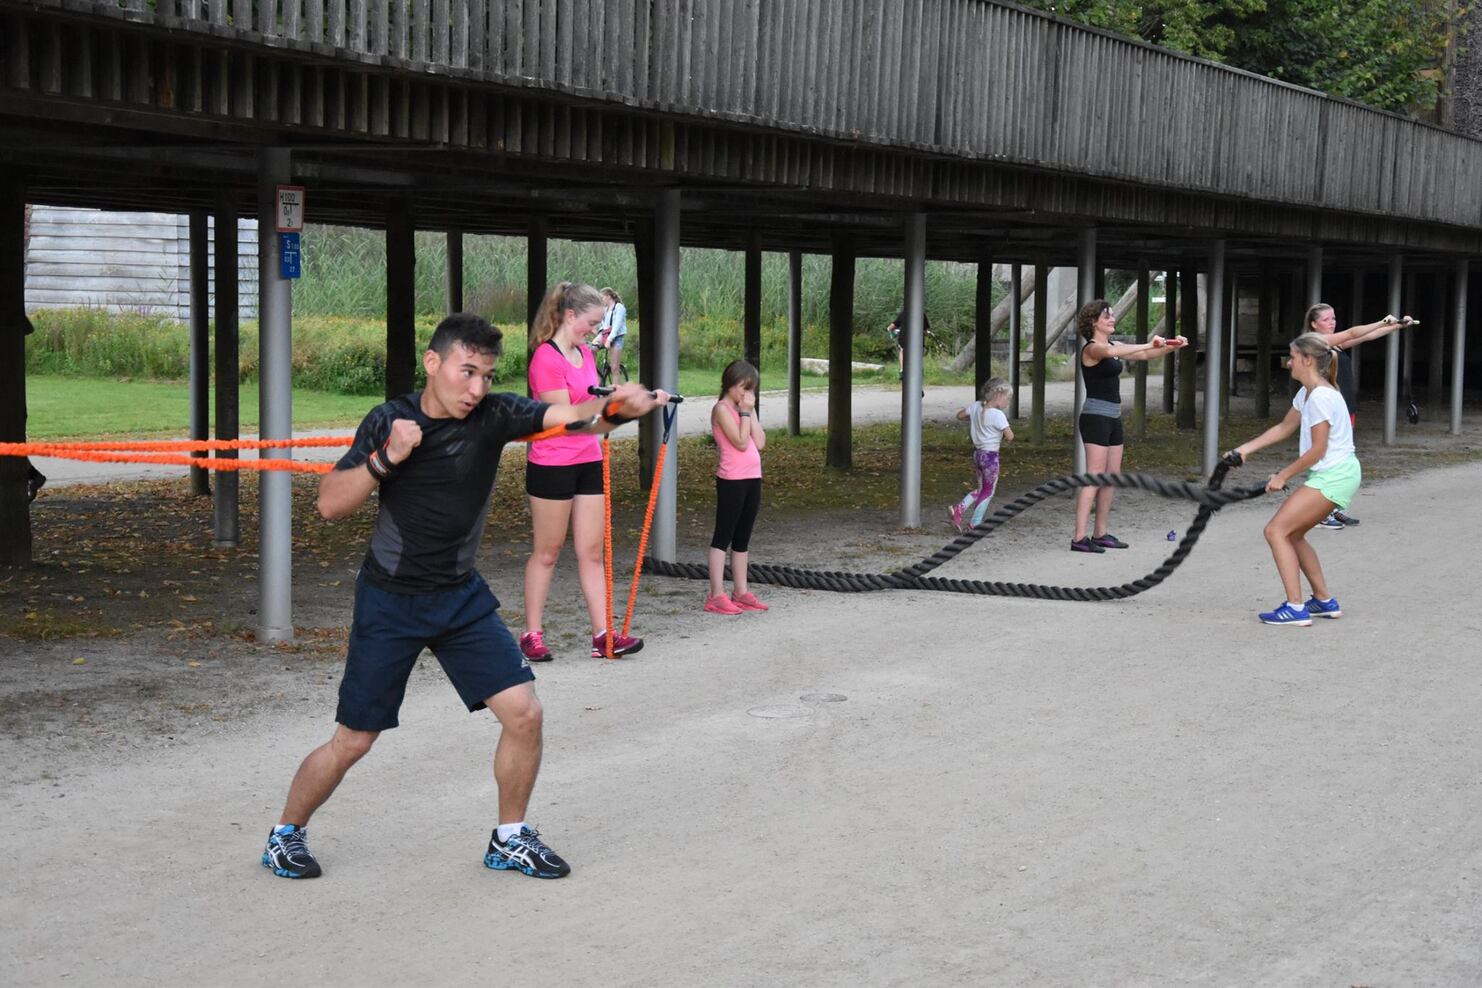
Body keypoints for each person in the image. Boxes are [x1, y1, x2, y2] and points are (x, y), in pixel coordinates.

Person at [261, 312, 667, 881]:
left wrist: (617, 410)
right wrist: (386, 459)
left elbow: (572, 419)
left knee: (524, 712)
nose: (476, 387)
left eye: (486, 374)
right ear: (434, 363)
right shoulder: (389, 420)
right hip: (390, 599)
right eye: (466, 371)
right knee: (354, 741)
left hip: (459, 596)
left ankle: (509, 837)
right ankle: (285, 835)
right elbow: (329, 503)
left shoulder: (494, 414)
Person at [520, 282, 644, 662]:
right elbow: (568, 419)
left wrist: (627, 403)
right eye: (591, 322)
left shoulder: (586, 356)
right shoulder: (546, 358)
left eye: (599, 323)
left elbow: (594, 410)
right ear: (570, 316)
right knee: (548, 551)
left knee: (591, 551)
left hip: (588, 460)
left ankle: (603, 633)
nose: (594, 330)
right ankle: (532, 633)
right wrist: (616, 403)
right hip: (553, 462)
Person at [1227, 332, 1361, 626]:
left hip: (1334, 475)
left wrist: (1283, 475)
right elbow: (1284, 427)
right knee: (1294, 534)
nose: (1288, 363)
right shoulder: (1308, 393)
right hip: (1338, 473)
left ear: (1308, 360)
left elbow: (1318, 449)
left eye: (1292, 357)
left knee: (1276, 531)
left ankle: (1295, 608)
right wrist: (1244, 450)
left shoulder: (1322, 397)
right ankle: (1324, 601)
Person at [1071, 300, 1187, 553]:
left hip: (1113, 416)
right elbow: (1113, 354)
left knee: (1111, 476)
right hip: (1095, 418)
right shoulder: (1092, 349)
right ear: (1093, 322)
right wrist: (1151, 342)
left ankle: (1100, 533)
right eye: (1107, 316)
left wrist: (1171, 346)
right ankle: (1079, 538)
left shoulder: (1115, 345)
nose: (1112, 319)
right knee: (1095, 475)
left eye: (1112, 315)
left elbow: (1145, 355)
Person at [1301, 303, 1415, 529]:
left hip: (1343, 407)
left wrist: (1396, 326)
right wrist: (1384, 320)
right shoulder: (1315, 342)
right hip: (1326, 410)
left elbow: (1365, 336)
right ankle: (1319, 511)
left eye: (1333, 318)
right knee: (1326, 459)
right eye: (1326, 319)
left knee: (1341, 459)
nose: (1332, 322)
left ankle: (1333, 507)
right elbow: (1354, 332)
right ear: (1314, 324)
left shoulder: (1336, 343)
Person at [704, 359, 768, 615]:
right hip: (732, 479)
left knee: (743, 538)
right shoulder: (721, 409)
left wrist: (750, 412)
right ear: (730, 384)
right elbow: (741, 442)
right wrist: (743, 413)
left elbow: (760, 441)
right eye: (743, 387)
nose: (746, 393)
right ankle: (716, 594)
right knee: (724, 536)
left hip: (753, 476)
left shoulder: (747, 408)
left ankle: (740, 591)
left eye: (751, 389)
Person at [949, 377, 1014, 532]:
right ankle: (975, 522)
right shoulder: (998, 416)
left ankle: (959, 510)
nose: (1008, 403)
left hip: (977, 455)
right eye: (1008, 399)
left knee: (981, 489)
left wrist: (974, 419)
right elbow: (1010, 436)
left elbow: (959, 415)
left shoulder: (976, 406)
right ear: (999, 397)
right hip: (991, 457)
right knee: (988, 491)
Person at [885, 306, 931, 380]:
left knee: (902, 350)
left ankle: (902, 370)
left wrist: (892, 332)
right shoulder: (922, 314)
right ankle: (919, 369)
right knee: (918, 352)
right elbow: (925, 330)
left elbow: (890, 327)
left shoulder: (903, 313)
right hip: (917, 339)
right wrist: (927, 333)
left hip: (904, 338)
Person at [593, 287, 629, 384]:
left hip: (616, 337)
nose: (601, 300)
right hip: (605, 334)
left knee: (614, 367)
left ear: (608, 296)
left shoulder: (619, 307)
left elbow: (616, 326)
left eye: (602, 298)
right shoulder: (605, 309)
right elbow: (601, 323)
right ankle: (597, 379)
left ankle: (615, 391)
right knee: (591, 349)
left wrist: (609, 340)